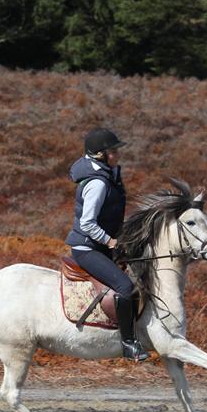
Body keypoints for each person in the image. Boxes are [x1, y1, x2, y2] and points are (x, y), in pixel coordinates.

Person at [64, 127, 149, 361]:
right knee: (125, 287)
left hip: (99, 245)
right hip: (87, 248)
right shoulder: (97, 183)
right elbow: (88, 223)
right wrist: (110, 241)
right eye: (113, 151)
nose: (117, 155)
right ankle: (129, 343)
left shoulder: (107, 174)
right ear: (100, 155)